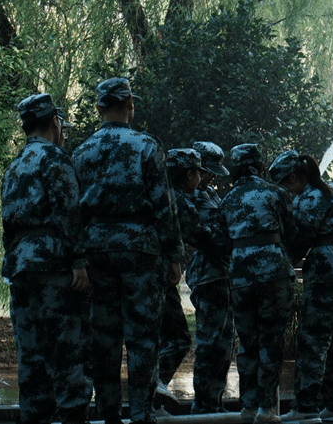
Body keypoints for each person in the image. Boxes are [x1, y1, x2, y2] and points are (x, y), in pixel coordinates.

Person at [72, 77, 184, 424]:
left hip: (96, 249)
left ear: (99, 108)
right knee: (143, 336)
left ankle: (108, 413)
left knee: (103, 337)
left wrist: (78, 256)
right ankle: (141, 413)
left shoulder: (81, 152)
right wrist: (174, 254)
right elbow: (164, 206)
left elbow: (73, 211)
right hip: (140, 249)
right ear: (130, 106)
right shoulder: (147, 146)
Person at [0, 93, 92, 424]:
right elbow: (68, 212)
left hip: (21, 268)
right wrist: (78, 260)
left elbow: (7, 223)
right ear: (54, 121)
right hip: (54, 266)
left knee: (31, 358)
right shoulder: (55, 159)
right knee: (67, 354)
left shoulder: (14, 166)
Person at [269, 151, 333, 424]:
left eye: (284, 185)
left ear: (294, 177)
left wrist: (279, 264)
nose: (286, 192)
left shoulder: (310, 197)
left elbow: (301, 241)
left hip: (327, 278)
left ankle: (306, 406)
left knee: (312, 342)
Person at [221, 143, 298, 424]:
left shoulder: (227, 200)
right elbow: (292, 233)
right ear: (259, 165)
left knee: (247, 343)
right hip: (274, 274)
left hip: (240, 277)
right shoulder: (276, 193)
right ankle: (267, 409)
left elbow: (222, 240)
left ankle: (248, 406)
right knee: (271, 340)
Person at [186, 141, 234, 414]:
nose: (211, 178)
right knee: (210, 341)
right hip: (207, 275)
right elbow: (206, 234)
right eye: (207, 172)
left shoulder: (209, 194)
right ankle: (204, 403)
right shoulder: (189, 197)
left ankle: (214, 401)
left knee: (223, 343)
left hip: (221, 273)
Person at [154, 148, 202, 409]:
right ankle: (155, 384)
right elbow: (203, 236)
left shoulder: (156, 195)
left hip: (144, 275)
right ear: (189, 174)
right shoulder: (180, 201)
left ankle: (151, 403)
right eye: (198, 173)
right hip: (161, 277)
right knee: (179, 338)